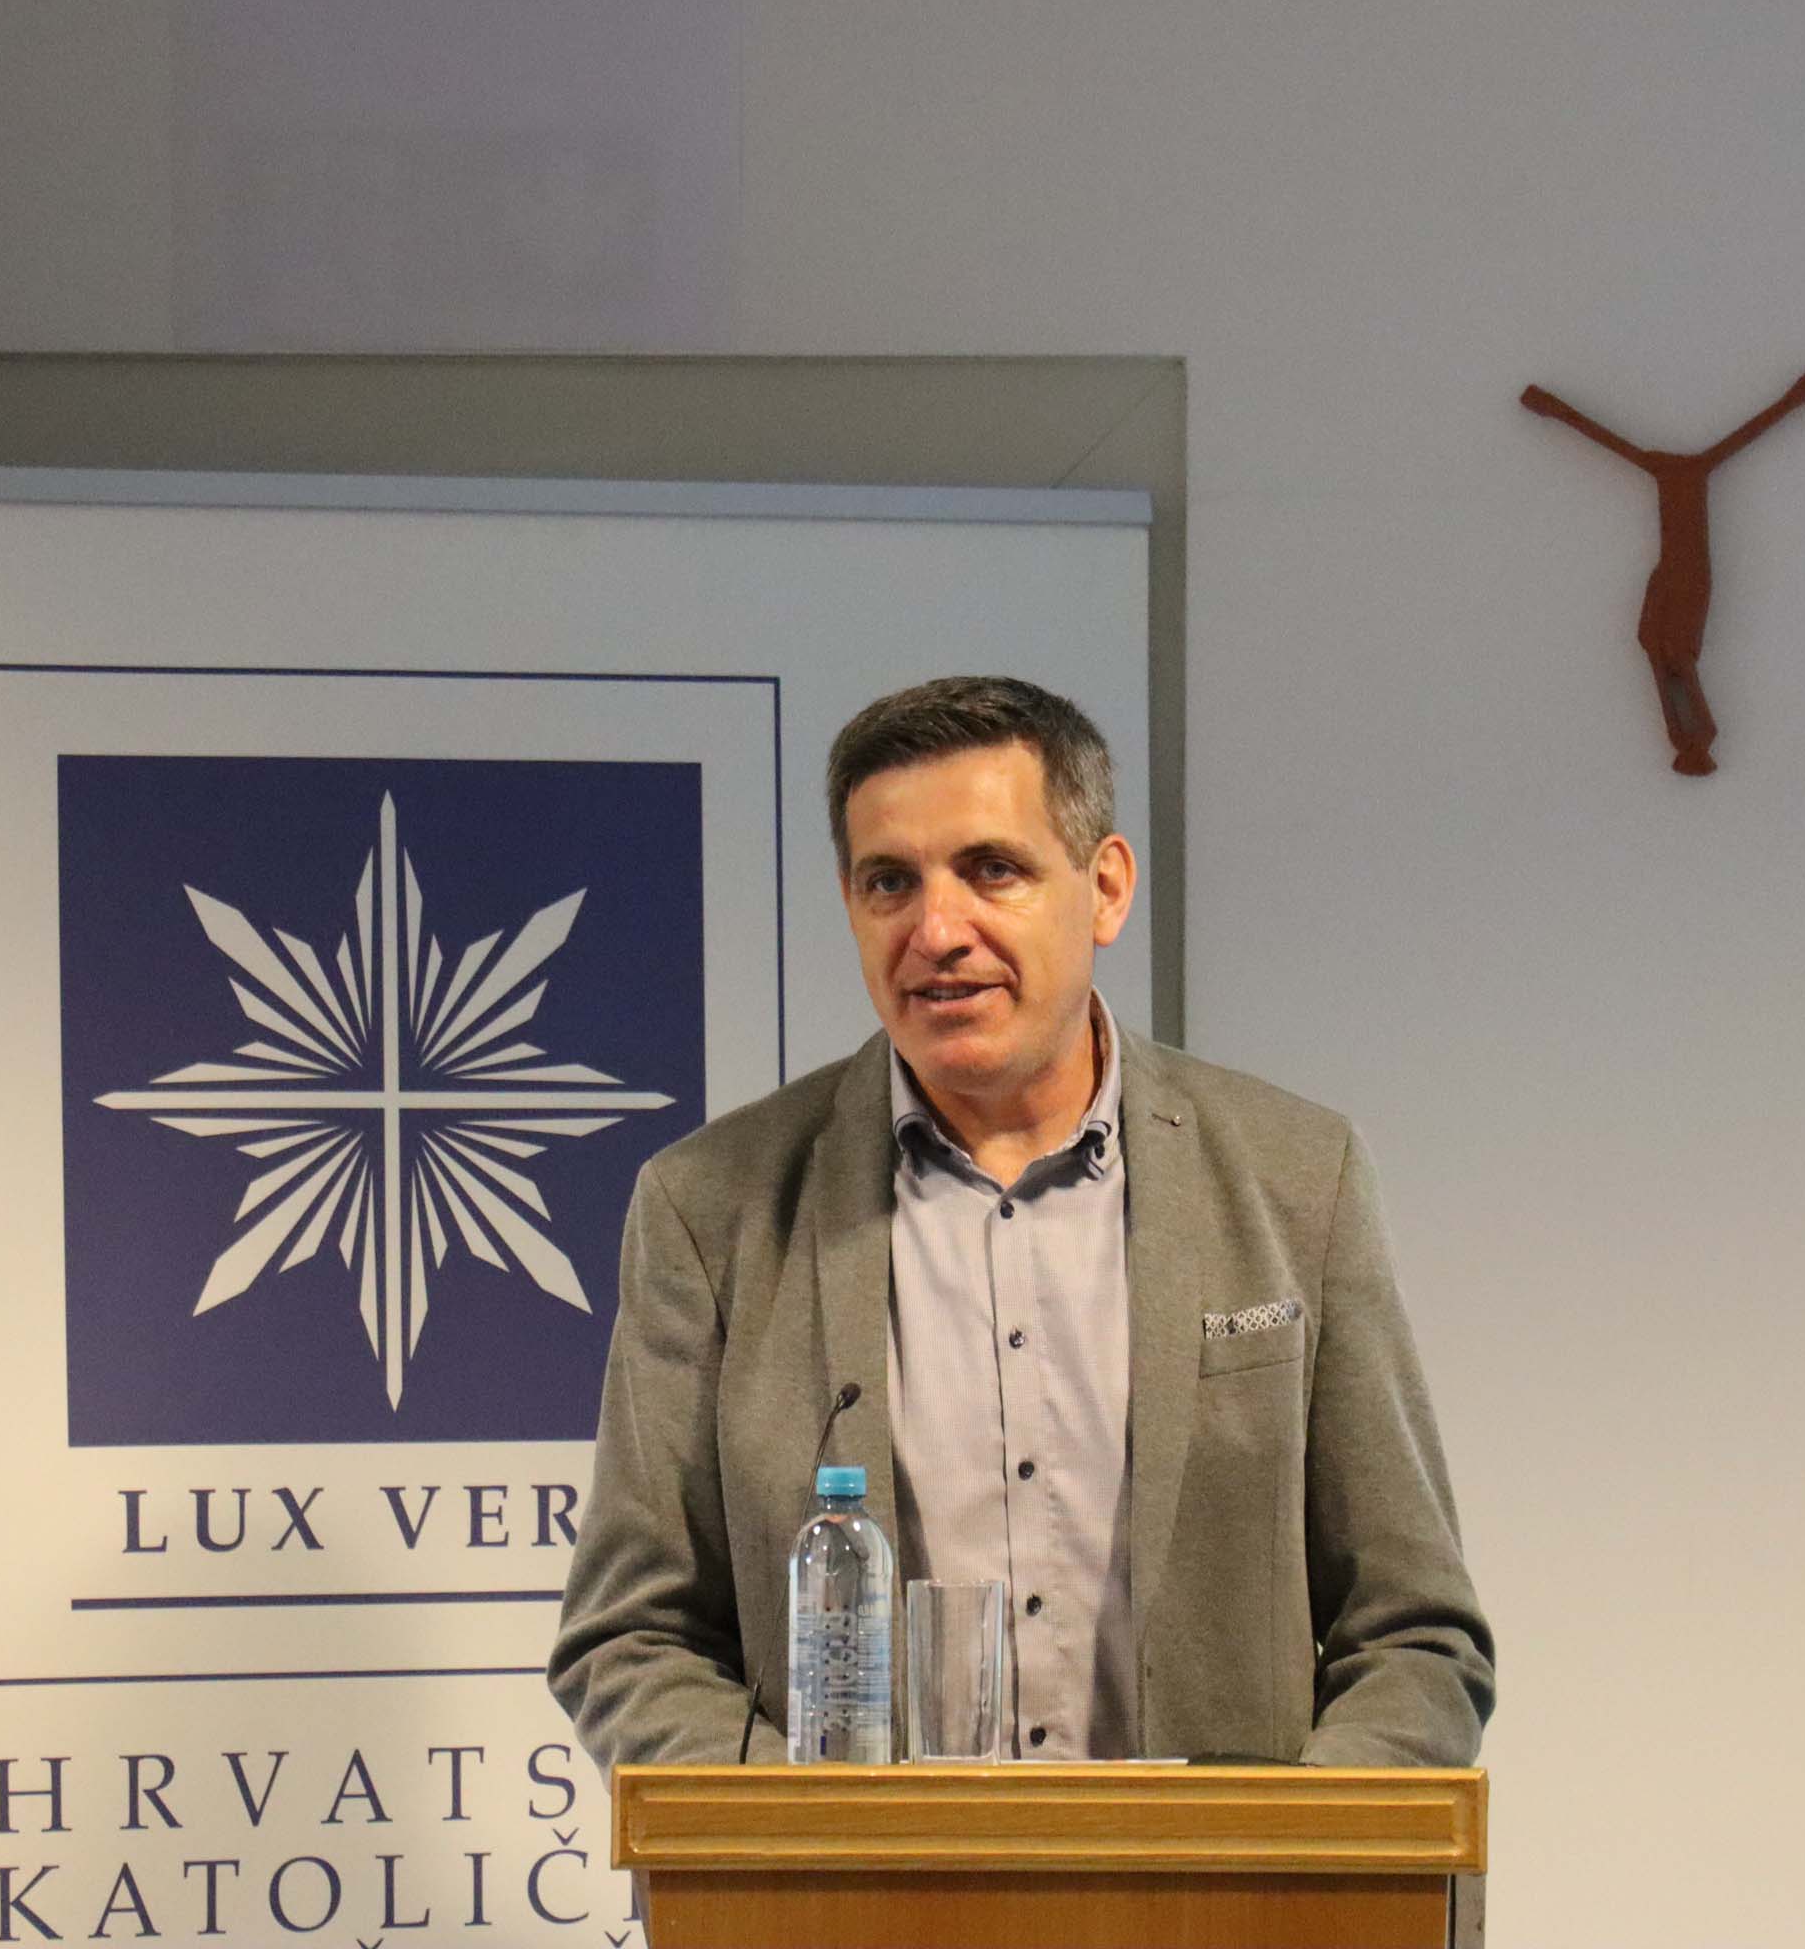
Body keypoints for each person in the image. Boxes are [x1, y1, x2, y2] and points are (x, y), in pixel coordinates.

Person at [548, 675, 1492, 1767]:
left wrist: (1280, 1849)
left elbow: (1416, 1637)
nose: (937, 930)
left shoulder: (1298, 1177)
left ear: (1106, 888)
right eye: (890, 882)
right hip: (852, 1881)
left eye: (992, 869)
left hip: (1219, 1878)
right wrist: (805, 1835)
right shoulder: (711, 1207)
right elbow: (631, 1640)